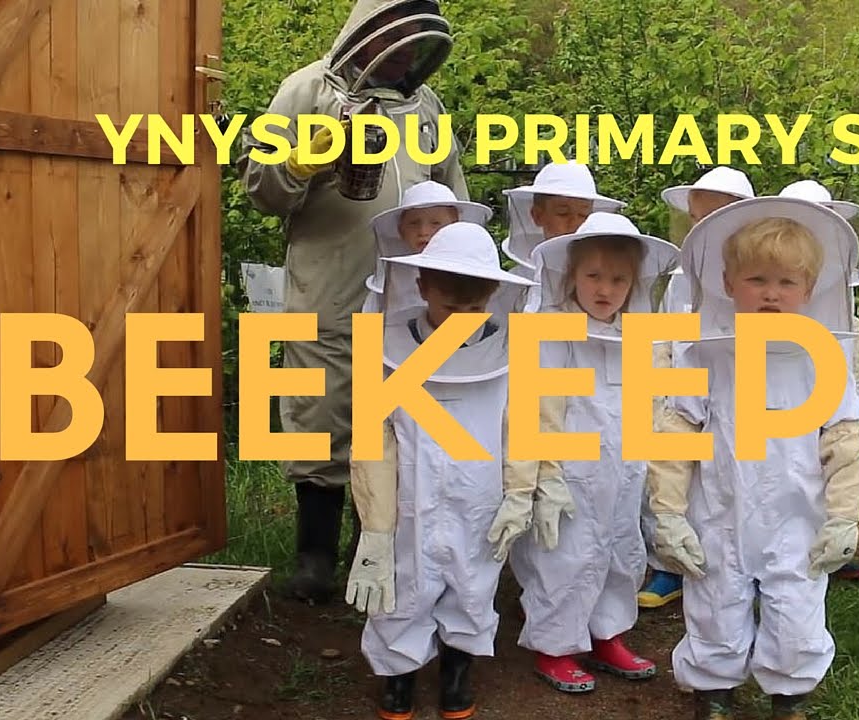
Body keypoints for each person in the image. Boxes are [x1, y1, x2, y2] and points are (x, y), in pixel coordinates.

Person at [235, 0, 469, 604]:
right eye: (397, 43)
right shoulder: (304, 89)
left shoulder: (427, 107)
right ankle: (314, 555)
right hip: (331, 280)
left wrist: (464, 269)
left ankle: (386, 545)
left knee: (407, 414)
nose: (405, 57)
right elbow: (260, 189)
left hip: (410, 291)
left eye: (415, 47)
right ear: (367, 36)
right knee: (321, 409)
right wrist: (295, 163)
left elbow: (454, 194)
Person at [645, 195, 859, 720]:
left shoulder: (822, 359)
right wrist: (669, 513)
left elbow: (847, 441)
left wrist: (843, 518)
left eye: (786, 283)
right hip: (719, 510)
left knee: (796, 606)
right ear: (727, 282)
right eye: (757, 280)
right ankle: (713, 691)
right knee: (715, 601)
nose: (771, 294)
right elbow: (676, 431)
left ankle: (789, 695)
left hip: (797, 515)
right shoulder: (705, 354)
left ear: (809, 290)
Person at [343, 221, 539, 720]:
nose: (462, 319)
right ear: (423, 286)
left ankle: (457, 671)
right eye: (451, 307)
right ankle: (398, 677)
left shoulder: (509, 353)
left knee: (473, 588)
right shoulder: (387, 350)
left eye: (474, 310)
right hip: (412, 498)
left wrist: (520, 494)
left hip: (480, 502)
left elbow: (520, 428)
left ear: (493, 294)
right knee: (401, 589)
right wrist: (377, 527)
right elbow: (374, 441)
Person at [509, 212, 680, 693]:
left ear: (634, 283)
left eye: (618, 279)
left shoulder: (639, 335)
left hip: (624, 471)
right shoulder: (551, 330)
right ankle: (556, 646)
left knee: (621, 553)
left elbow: (654, 401)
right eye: (594, 277)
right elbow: (537, 405)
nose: (605, 289)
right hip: (569, 472)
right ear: (571, 277)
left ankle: (609, 633)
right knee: (563, 558)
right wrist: (546, 474)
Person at [638, 165, 755, 610]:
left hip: (734, 391)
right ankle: (668, 564)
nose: (702, 227)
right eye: (697, 217)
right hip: (682, 384)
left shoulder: (755, 271)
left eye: (715, 217)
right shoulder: (681, 275)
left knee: (725, 486)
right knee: (670, 472)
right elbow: (666, 333)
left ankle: (741, 571)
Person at [778, 179, 859, 583]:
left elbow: (851, 357)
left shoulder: (838, 285)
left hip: (827, 383)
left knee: (828, 464)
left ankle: (830, 540)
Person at [493, 161, 626, 316]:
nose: (575, 223)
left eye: (583, 215)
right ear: (538, 215)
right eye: (563, 213)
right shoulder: (515, 283)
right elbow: (502, 335)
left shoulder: (612, 279)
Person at [364, 180, 493, 314]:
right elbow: (367, 330)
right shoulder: (387, 280)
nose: (423, 231)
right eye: (414, 223)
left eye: (435, 223)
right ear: (401, 229)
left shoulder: (472, 274)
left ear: (454, 225)